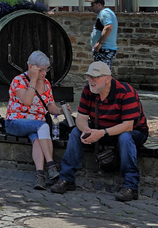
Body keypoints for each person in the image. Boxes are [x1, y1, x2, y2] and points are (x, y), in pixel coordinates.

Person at [52, 61, 148, 201]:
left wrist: (101, 133)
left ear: (107, 79)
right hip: (101, 130)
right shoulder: (88, 90)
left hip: (133, 132)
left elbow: (128, 126)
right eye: (89, 77)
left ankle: (131, 186)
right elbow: (81, 118)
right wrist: (86, 130)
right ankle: (66, 179)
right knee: (75, 133)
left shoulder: (126, 92)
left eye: (95, 77)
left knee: (125, 138)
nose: (91, 81)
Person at [5, 51, 63, 189]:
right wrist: (33, 80)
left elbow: (50, 107)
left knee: (37, 139)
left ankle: (40, 176)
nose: (44, 74)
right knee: (43, 127)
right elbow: (27, 101)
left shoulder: (46, 84)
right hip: (15, 121)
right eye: (41, 70)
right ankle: (51, 165)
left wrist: (61, 110)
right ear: (31, 67)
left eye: (46, 70)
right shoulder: (19, 81)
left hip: (35, 124)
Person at [89, 0, 117, 65]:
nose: (91, 7)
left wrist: (100, 43)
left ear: (99, 5)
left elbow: (108, 27)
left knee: (102, 72)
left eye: (92, 5)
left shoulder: (104, 13)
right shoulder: (104, 13)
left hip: (104, 49)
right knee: (102, 71)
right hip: (103, 49)